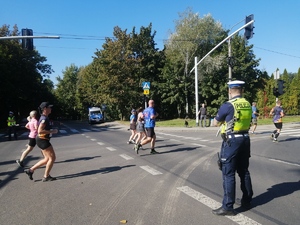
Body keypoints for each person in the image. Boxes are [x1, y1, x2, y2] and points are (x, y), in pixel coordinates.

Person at [212, 80, 253, 216]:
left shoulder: (228, 105)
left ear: (230, 91)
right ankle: (247, 200)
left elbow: (215, 123)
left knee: (228, 173)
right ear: (242, 90)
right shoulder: (247, 104)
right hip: (245, 139)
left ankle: (228, 206)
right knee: (244, 171)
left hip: (232, 141)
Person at [24, 102, 58, 182]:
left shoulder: (45, 117)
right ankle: (46, 176)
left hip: (42, 140)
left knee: (47, 159)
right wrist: (52, 131)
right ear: (45, 109)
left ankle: (30, 170)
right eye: (49, 107)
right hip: (43, 140)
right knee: (52, 158)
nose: (51, 109)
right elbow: (40, 131)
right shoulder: (44, 118)